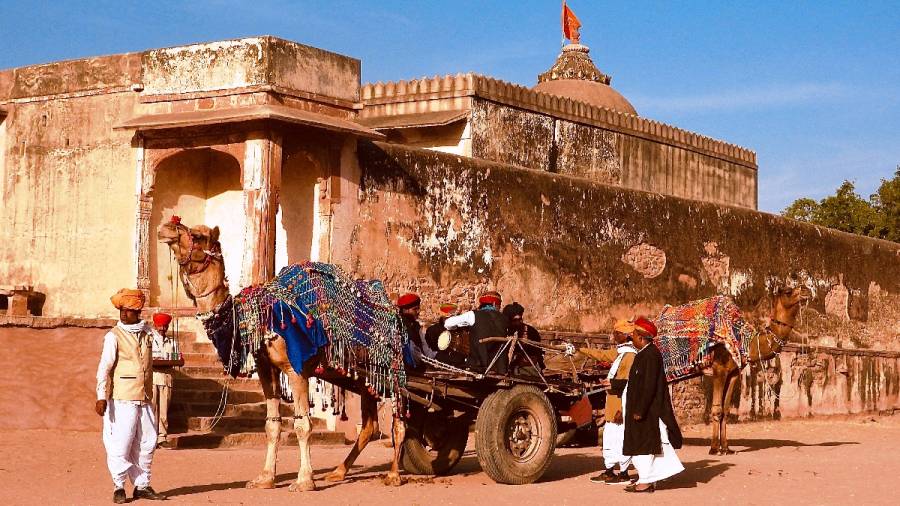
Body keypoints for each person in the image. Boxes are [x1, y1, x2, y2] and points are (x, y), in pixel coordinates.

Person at [95, 288, 165, 503]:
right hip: (122, 398)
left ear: (137, 312)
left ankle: (142, 485)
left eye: (129, 311)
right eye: (122, 311)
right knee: (121, 443)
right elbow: (104, 368)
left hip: (144, 397)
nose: (124, 315)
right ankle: (118, 486)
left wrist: (157, 331)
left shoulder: (146, 333)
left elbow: (161, 348)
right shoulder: (113, 337)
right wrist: (101, 396)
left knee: (147, 442)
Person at [622, 316, 684, 493]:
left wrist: (640, 409)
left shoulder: (651, 355)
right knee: (640, 445)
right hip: (640, 411)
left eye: (633, 335)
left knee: (645, 446)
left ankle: (646, 481)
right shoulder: (644, 354)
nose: (631, 337)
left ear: (641, 338)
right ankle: (645, 478)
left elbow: (649, 385)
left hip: (648, 412)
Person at [584, 319, 638, 484]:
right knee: (610, 438)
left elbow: (630, 382)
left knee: (620, 437)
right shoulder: (621, 353)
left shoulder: (630, 356)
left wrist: (612, 383)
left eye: (616, 333)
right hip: (612, 403)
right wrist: (580, 350)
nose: (613, 336)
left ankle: (623, 474)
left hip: (621, 404)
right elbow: (602, 355)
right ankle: (609, 471)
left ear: (624, 335)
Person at [444, 291, 509, 374]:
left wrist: (459, 326)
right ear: (493, 304)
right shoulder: (505, 319)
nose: (499, 308)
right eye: (499, 305)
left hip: (478, 368)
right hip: (501, 369)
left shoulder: (473, 315)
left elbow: (448, 323)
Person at [151, 312, 176, 449]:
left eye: (165, 326)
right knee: (151, 409)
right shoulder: (149, 339)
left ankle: (161, 438)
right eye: (160, 326)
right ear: (155, 325)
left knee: (163, 411)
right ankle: (149, 438)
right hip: (153, 378)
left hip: (166, 379)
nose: (162, 329)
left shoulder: (172, 342)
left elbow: (177, 359)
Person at [502, 302, 545, 376]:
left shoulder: (531, 332)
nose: (518, 322)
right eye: (515, 320)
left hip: (527, 368)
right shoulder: (505, 331)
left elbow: (537, 354)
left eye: (520, 319)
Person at [397, 293, 432, 370]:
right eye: (415, 309)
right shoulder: (400, 325)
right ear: (405, 310)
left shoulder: (415, 325)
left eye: (418, 308)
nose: (418, 311)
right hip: (412, 367)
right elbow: (412, 349)